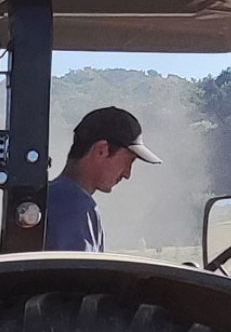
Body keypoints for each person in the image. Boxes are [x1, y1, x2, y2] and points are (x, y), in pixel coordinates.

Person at [42, 106, 162, 252]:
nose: (127, 174)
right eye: (129, 161)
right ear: (101, 150)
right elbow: (76, 273)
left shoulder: (53, 197)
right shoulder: (75, 205)